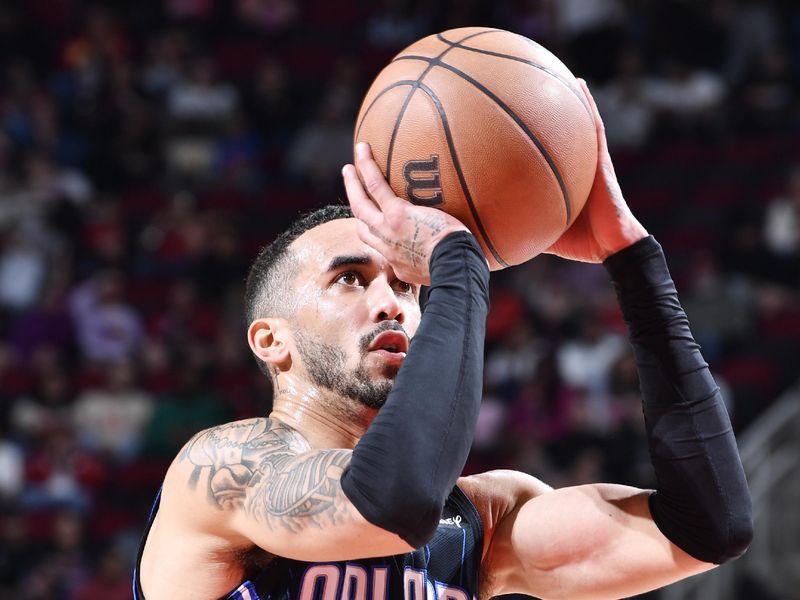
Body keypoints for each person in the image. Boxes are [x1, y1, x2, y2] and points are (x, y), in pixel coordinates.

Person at [133, 81, 752, 600]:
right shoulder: (220, 472)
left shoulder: (479, 521)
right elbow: (391, 501)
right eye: (350, 279)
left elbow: (709, 528)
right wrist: (458, 261)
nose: (391, 304)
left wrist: (635, 265)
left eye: (408, 286)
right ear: (271, 340)